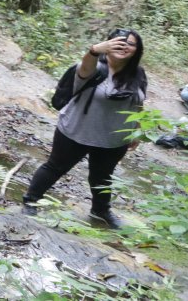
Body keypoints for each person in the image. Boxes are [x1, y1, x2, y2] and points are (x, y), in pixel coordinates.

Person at [22, 29, 148, 229]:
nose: (124, 46)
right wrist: (94, 50)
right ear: (108, 44)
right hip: (76, 130)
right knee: (55, 167)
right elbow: (84, 69)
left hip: (114, 139)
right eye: (119, 41)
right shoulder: (95, 68)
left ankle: (100, 211)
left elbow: (138, 104)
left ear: (137, 50)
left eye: (131, 44)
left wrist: (137, 130)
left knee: (103, 177)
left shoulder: (138, 74)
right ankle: (31, 200)